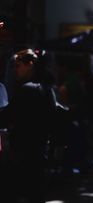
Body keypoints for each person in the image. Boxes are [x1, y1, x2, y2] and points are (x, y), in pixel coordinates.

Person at [0, 49, 58, 202]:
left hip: (23, 154)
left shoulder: (27, 90)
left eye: (18, 66)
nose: (15, 70)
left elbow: (6, 117)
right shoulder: (48, 89)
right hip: (40, 154)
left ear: (30, 65)